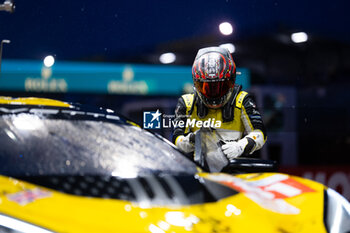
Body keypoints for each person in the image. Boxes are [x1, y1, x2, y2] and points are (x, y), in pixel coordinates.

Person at [172, 46, 266, 160]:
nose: (214, 93)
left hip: (235, 168)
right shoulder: (187, 103)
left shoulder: (242, 100)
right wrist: (192, 139)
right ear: (196, 83)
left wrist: (240, 146)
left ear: (232, 80)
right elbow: (177, 140)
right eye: (207, 87)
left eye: (220, 86)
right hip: (200, 169)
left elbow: (259, 133)